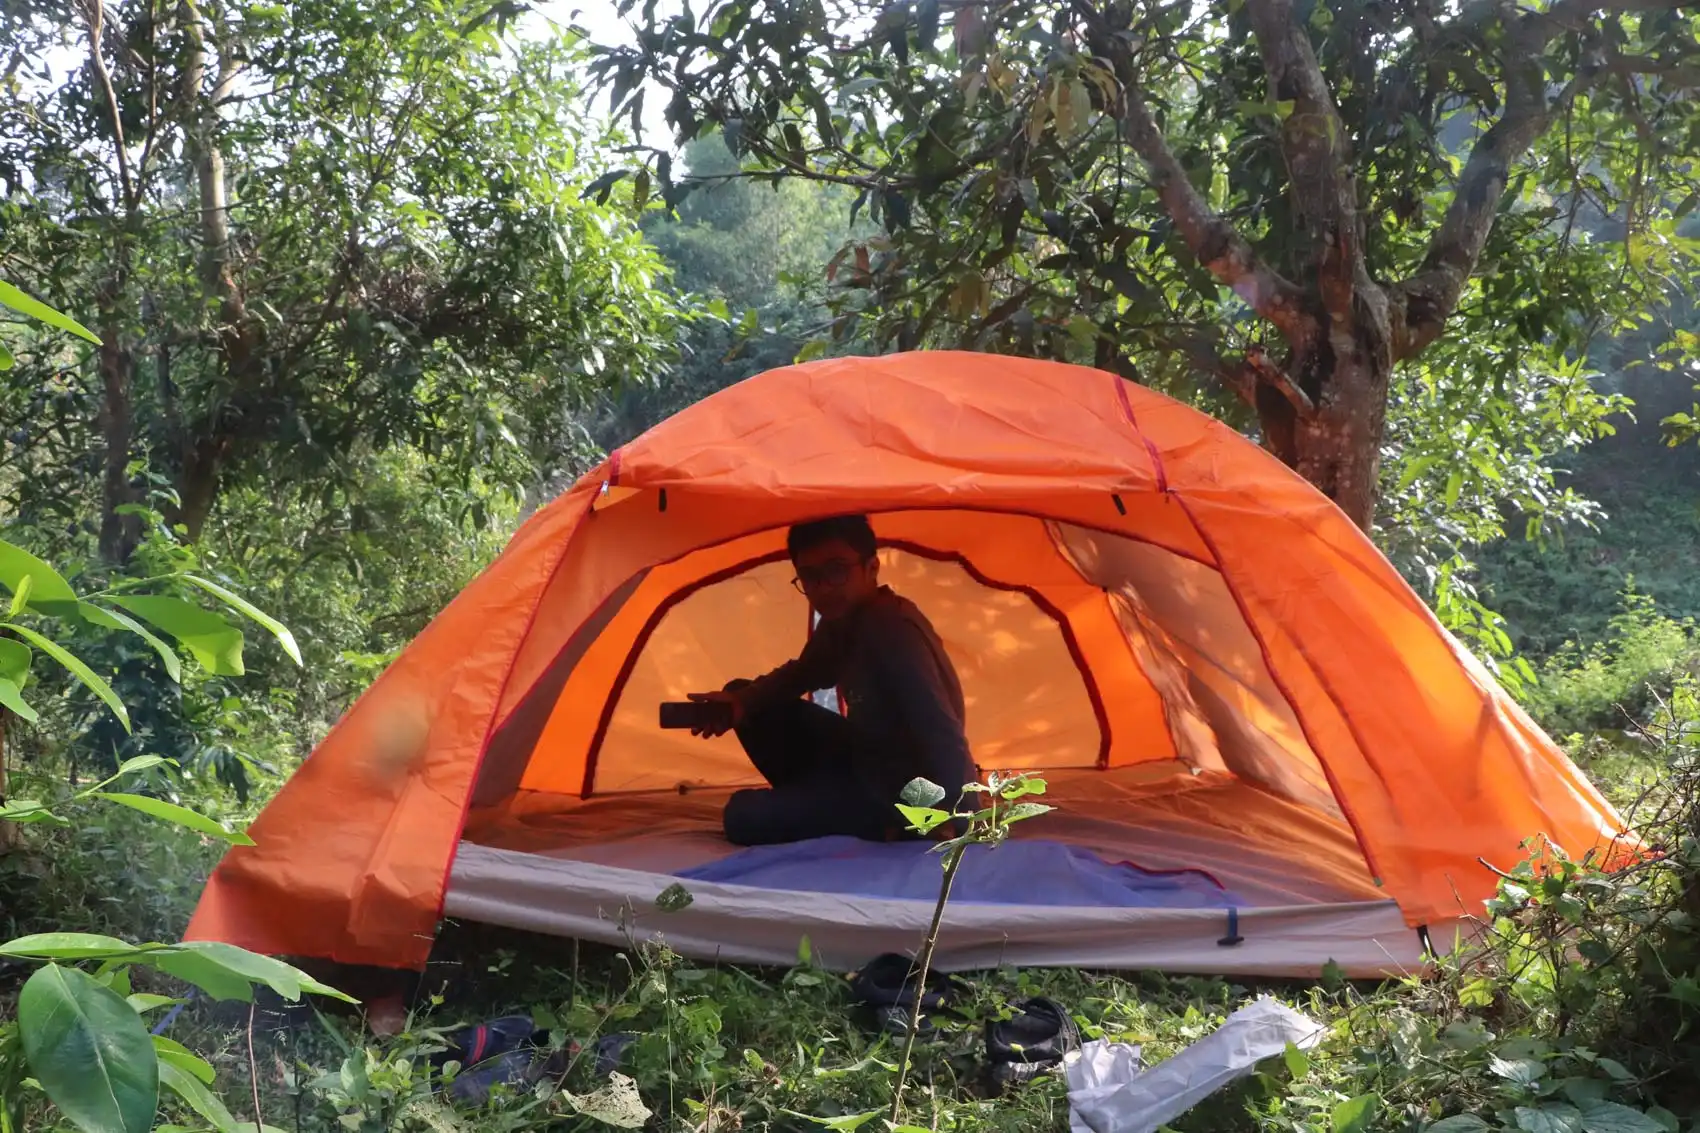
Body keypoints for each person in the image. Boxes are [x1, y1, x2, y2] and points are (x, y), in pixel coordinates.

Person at [685, 514, 977, 846]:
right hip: (865, 757)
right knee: (745, 698)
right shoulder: (843, 620)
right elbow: (802, 673)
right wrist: (740, 703)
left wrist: (964, 817)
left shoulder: (890, 627)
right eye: (810, 576)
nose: (823, 588)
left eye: (837, 571)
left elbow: (940, 728)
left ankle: (884, 822)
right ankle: (819, 804)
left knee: (741, 816)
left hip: (900, 790)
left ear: (871, 568)